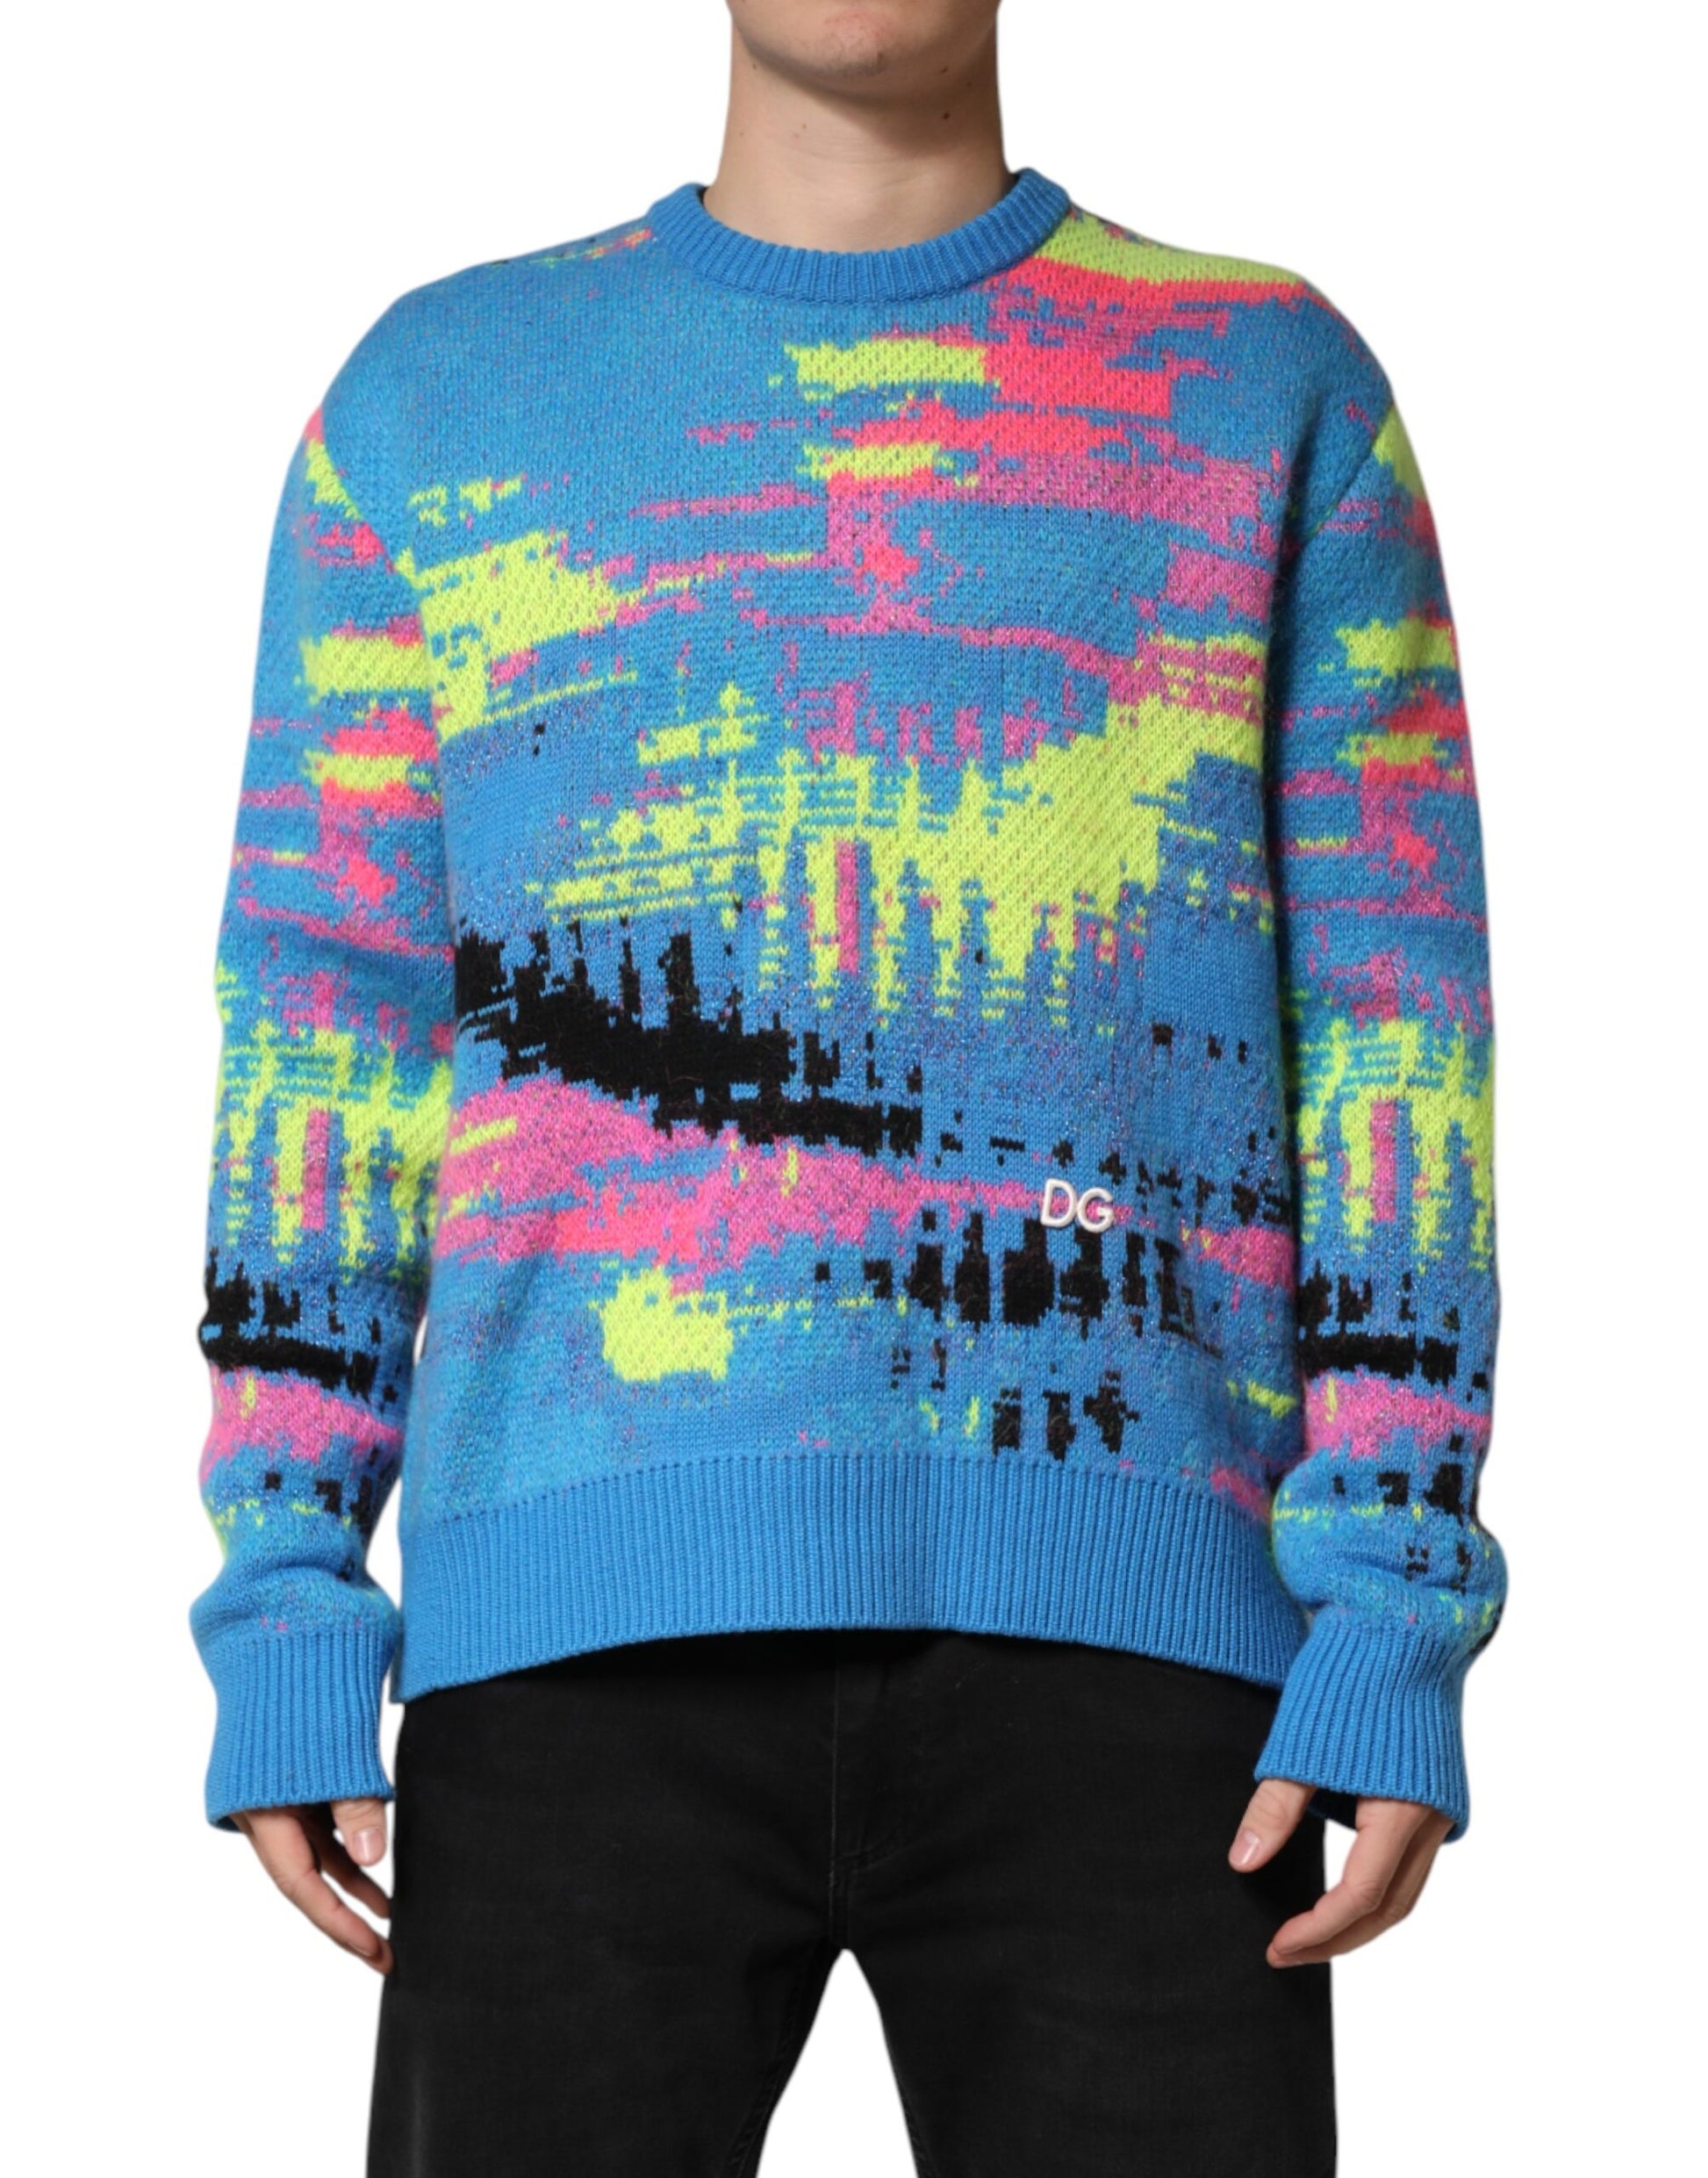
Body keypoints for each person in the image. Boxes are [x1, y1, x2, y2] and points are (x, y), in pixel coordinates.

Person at [189, 2, 1506, 2169]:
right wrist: (286, 1585)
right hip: (570, 1645)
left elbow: (1396, 1031)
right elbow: (324, 1022)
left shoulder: (1272, 387)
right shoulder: (430, 405)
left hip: (1156, 1662)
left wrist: (1391, 1599)